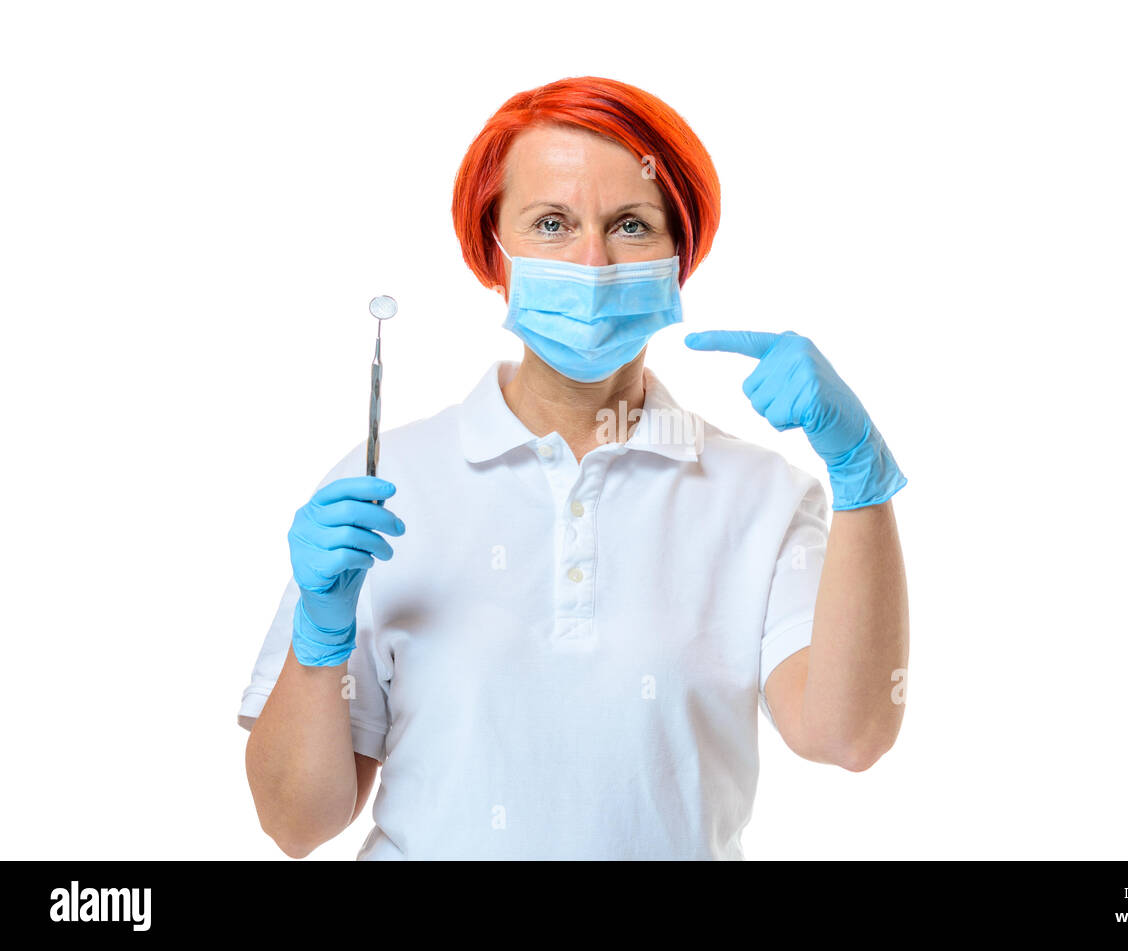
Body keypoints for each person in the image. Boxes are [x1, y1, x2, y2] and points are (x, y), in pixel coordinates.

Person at [238, 75, 909, 860]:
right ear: (494, 250)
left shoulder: (759, 497)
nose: (591, 261)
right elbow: (295, 823)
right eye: (551, 222)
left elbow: (849, 735)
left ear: (678, 253)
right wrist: (320, 636)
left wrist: (860, 478)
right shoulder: (389, 482)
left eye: (630, 223)